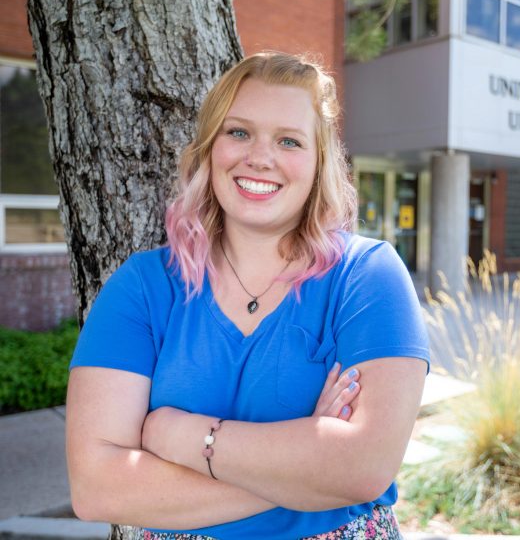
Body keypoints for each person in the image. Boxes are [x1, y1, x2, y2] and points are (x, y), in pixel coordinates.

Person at [66, 52, 430, 540]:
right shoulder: (142, 288)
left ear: (319, 162)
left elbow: (363, 469)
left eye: (289, 140)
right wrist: (308, 469)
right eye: (238, 132)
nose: (260, 156)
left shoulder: (367, 277)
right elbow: (98, 490)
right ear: (209, 148)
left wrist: (183, 437)